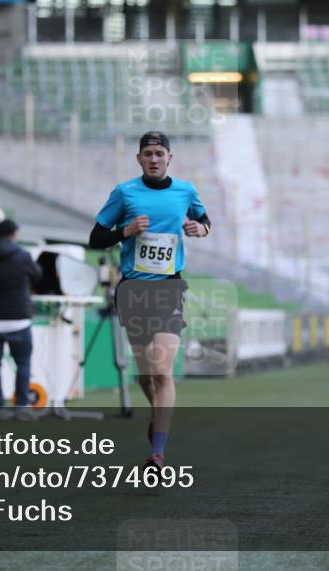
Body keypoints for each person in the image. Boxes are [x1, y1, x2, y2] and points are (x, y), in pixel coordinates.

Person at [88, 131, 211, 469]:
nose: (154, 159)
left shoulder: (186, 190)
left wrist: (202, 230)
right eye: (148, 154)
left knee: (162, 370)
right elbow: (95, 238)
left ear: (169, 158)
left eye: (160, 153)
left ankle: (157, 452)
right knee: (146, 376)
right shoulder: (124, 192)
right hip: (132, 291)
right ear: (139, 159)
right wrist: (123, 232)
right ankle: (158, 418)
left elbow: (204, 220)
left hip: (169, 289)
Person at [0, 218, 42, 422]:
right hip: (19, 319)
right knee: (23, 364)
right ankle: (21, 407)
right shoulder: (23, 256)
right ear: (14, 234)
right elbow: (38, 275)